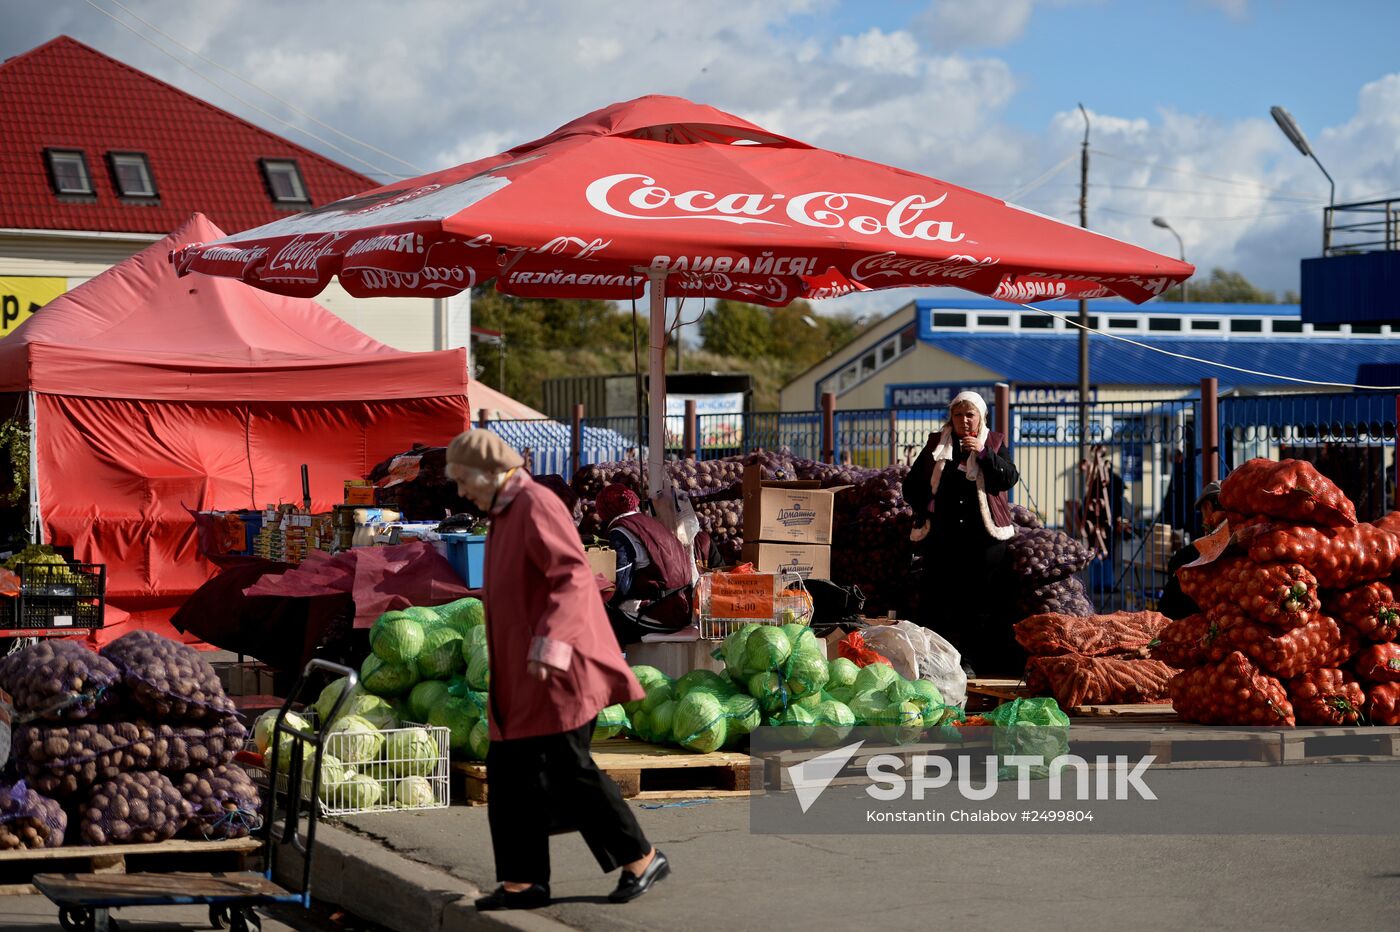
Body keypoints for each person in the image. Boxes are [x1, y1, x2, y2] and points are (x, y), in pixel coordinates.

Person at [444, 431, 670, 910]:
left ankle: (642, 858)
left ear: (488, 472)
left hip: (559, 666)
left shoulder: (533, 504)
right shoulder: (506, 510)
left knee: (569, 768)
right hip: (524, 670)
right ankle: (523, 883)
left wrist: (549, 645)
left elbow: (570, 577)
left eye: (464, 480)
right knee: (510, 771)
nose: (461, 492)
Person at [902, 391, 1019, 674]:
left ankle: (973, 662)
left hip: (984, 542)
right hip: (943, 539)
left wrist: (982, 452)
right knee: (941, 602)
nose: (964, 421)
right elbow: (911, 486)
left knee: (978, 604)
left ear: (981, 417)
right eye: (958, 415)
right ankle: (939, 664)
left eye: (970, 415)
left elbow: (1008, 477)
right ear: (951, 419)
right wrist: (927, 506)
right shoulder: (936, 444)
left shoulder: (994, 442)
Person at [595, 483, 695, 646]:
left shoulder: (620, 532)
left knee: (599, 615)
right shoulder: (651, 523)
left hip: (659, 613)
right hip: (682, 609)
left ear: (604, 511)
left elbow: (620, 585)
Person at [1157, 481, 1224, 620]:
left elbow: (1174, 563)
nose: (1202, 522)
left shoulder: (1191, 554)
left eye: (1203, 512)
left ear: (1208, 506)